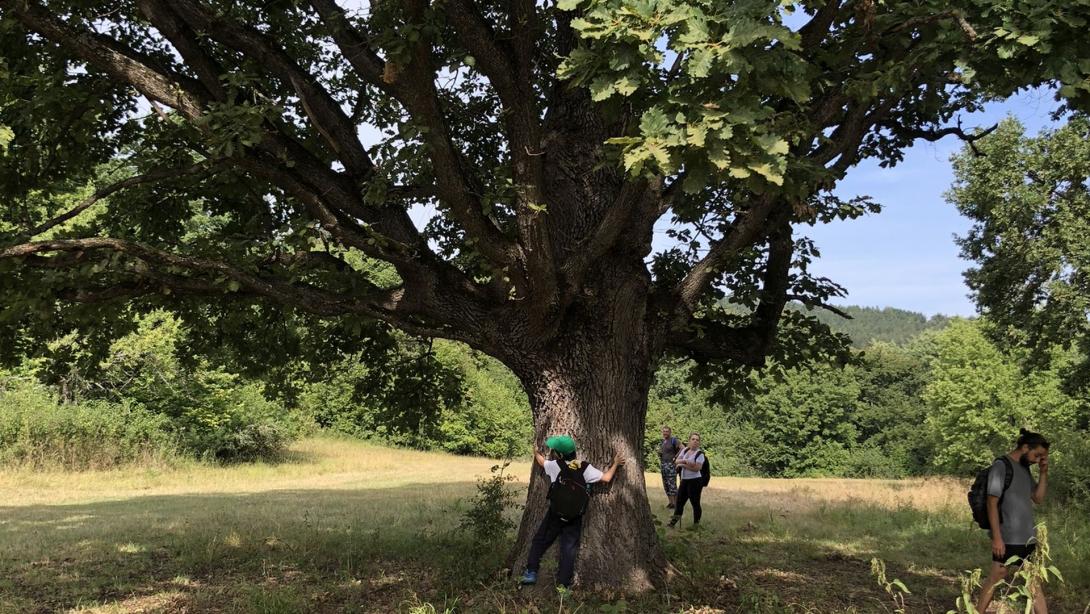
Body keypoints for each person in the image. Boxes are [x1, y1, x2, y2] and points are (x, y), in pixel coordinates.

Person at [519, 435, 625, 589]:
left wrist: (535, 452)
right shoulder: (585, 468)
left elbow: (541, 462)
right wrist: (615, 463)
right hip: (575, 517)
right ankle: (563, 585)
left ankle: (531, 572)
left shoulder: (556, 465)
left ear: (560, 455)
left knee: (539, 540)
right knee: (568, 550)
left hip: (555, 514)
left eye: (555, 451)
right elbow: (607, 478)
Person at [976, 428, 1050, 614]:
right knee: (997, 576)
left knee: (1033, 580)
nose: (1037, 459)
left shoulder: (1025, 469)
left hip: (1027, 537)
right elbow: (991, 503)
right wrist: (997, 538)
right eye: (1037, 454)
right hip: (1007, 536)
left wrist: (1043, 473)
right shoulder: (1001, 466)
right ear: (1025, 447)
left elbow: (1038, 498)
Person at [667, 432, 705, 528]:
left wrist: (682, 465)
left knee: (695, 503)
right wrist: (685, 461)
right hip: (684, 481)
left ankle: (696, 525)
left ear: (699, 443)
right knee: (679, 503)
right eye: (693, 439)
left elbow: (697, 468)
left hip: (695, 481)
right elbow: (676, 461)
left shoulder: (700, 454)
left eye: (697, 440)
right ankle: (672, 524)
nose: (695, 441)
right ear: (689, 441)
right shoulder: (685, 451)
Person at [659, 426, 682, 509]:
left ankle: (676, 504)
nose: (665, 433)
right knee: (666, 485)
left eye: (667, 431)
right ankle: (671, 503)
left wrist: (676, 457)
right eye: (664, 431)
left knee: (672, 485)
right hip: (663, 465)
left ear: (670, 432)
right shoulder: (663, 442)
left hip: (671, 466)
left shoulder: (674, 440)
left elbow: (682, 448)